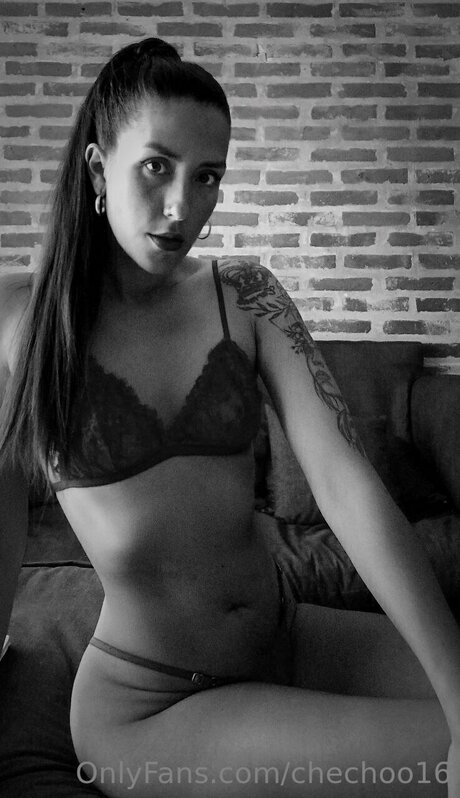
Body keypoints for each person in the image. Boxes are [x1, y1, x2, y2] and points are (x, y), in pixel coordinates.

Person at [0, 37, 459, 798]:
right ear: (97, 170)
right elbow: (2, 524)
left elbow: (344, 484)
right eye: (157, 166)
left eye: (207, 175)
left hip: (287, 636)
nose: (182, 206)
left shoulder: (245, 295)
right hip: (154, 703)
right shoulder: (19, 321)